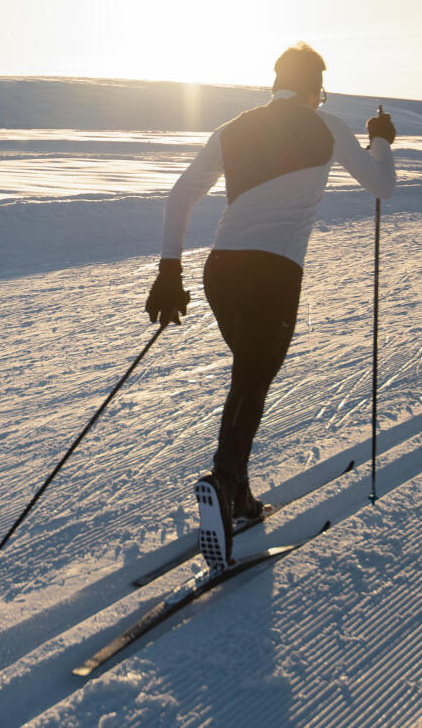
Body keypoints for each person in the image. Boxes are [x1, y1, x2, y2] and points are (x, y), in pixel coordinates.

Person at [143, 42, 396, 562]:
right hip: (273, 273)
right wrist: (381, 142)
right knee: (253, 377)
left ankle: (238, 493)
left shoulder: (233, 128)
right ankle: (224, 478)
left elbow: (179, 195)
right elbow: (382, 186)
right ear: (312, 89)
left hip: (221, 273)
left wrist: (170, 271)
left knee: (249, 374)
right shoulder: (325, 126)